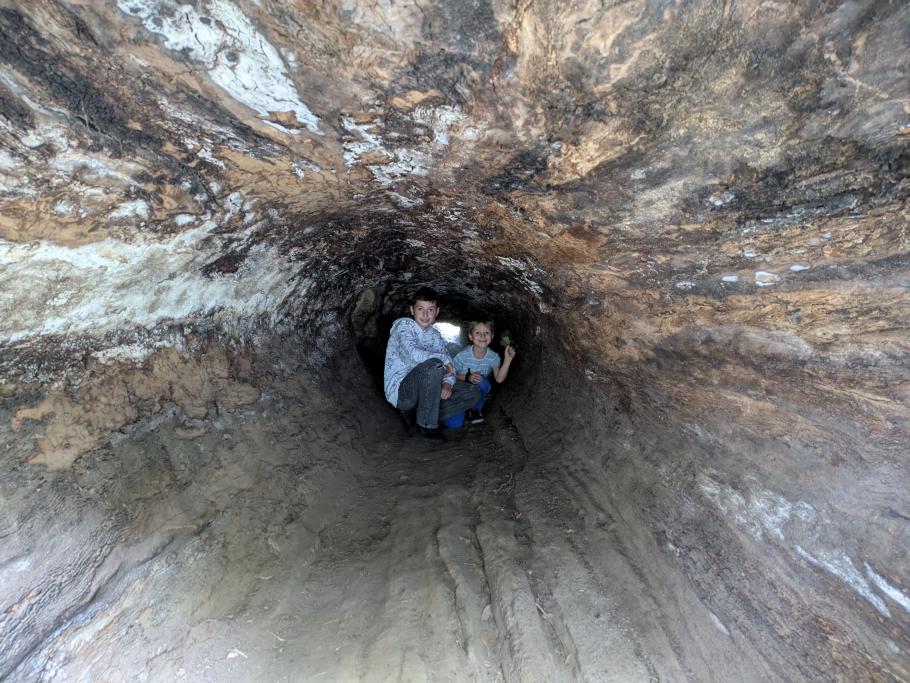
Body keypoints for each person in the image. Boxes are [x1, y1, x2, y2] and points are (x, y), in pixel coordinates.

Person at [384, 287, 482, 442]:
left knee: (473, 393)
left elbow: (449, 363)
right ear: (412, 310)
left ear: (436, 312)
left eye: (430, 309)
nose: (425, 314)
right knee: (435, 365)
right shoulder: (403, 327)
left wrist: (448, 383)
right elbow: (413, 355)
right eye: (420, 309)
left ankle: (422, 415)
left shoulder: (435, 335)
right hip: (403, 392)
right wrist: (442, 364)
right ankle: (426, 426)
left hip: (428, 390)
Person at [447, 319, 516, 426]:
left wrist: (507, 360)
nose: (482, 336)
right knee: (454, 424)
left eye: (487, 333)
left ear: (492, 336)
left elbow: (499, 379)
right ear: (471, 336)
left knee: (482, 382)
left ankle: (474, 409)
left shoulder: (493, 357)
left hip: (479, 387)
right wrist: (467, 377)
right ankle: (457, 409)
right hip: (461, 389)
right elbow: (450, 375)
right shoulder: (462, 356)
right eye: (478, 333)